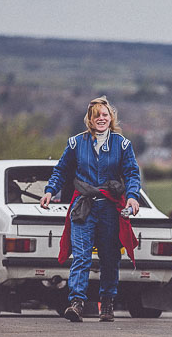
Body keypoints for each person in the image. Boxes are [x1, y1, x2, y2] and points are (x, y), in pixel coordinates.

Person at [40, 96, 141, 322]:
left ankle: (107, 303)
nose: (102, 118)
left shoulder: (122, 144)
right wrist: (50, 190)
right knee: (81, 256)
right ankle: (76, 302)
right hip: (83, 206)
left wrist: (133, 197)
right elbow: (61, 171)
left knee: (110, 256)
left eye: (105, 115)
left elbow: (132, 174)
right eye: (97, 115)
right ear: (90, 119)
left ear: (111, 118)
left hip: (109, 208)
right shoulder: (76, 143)